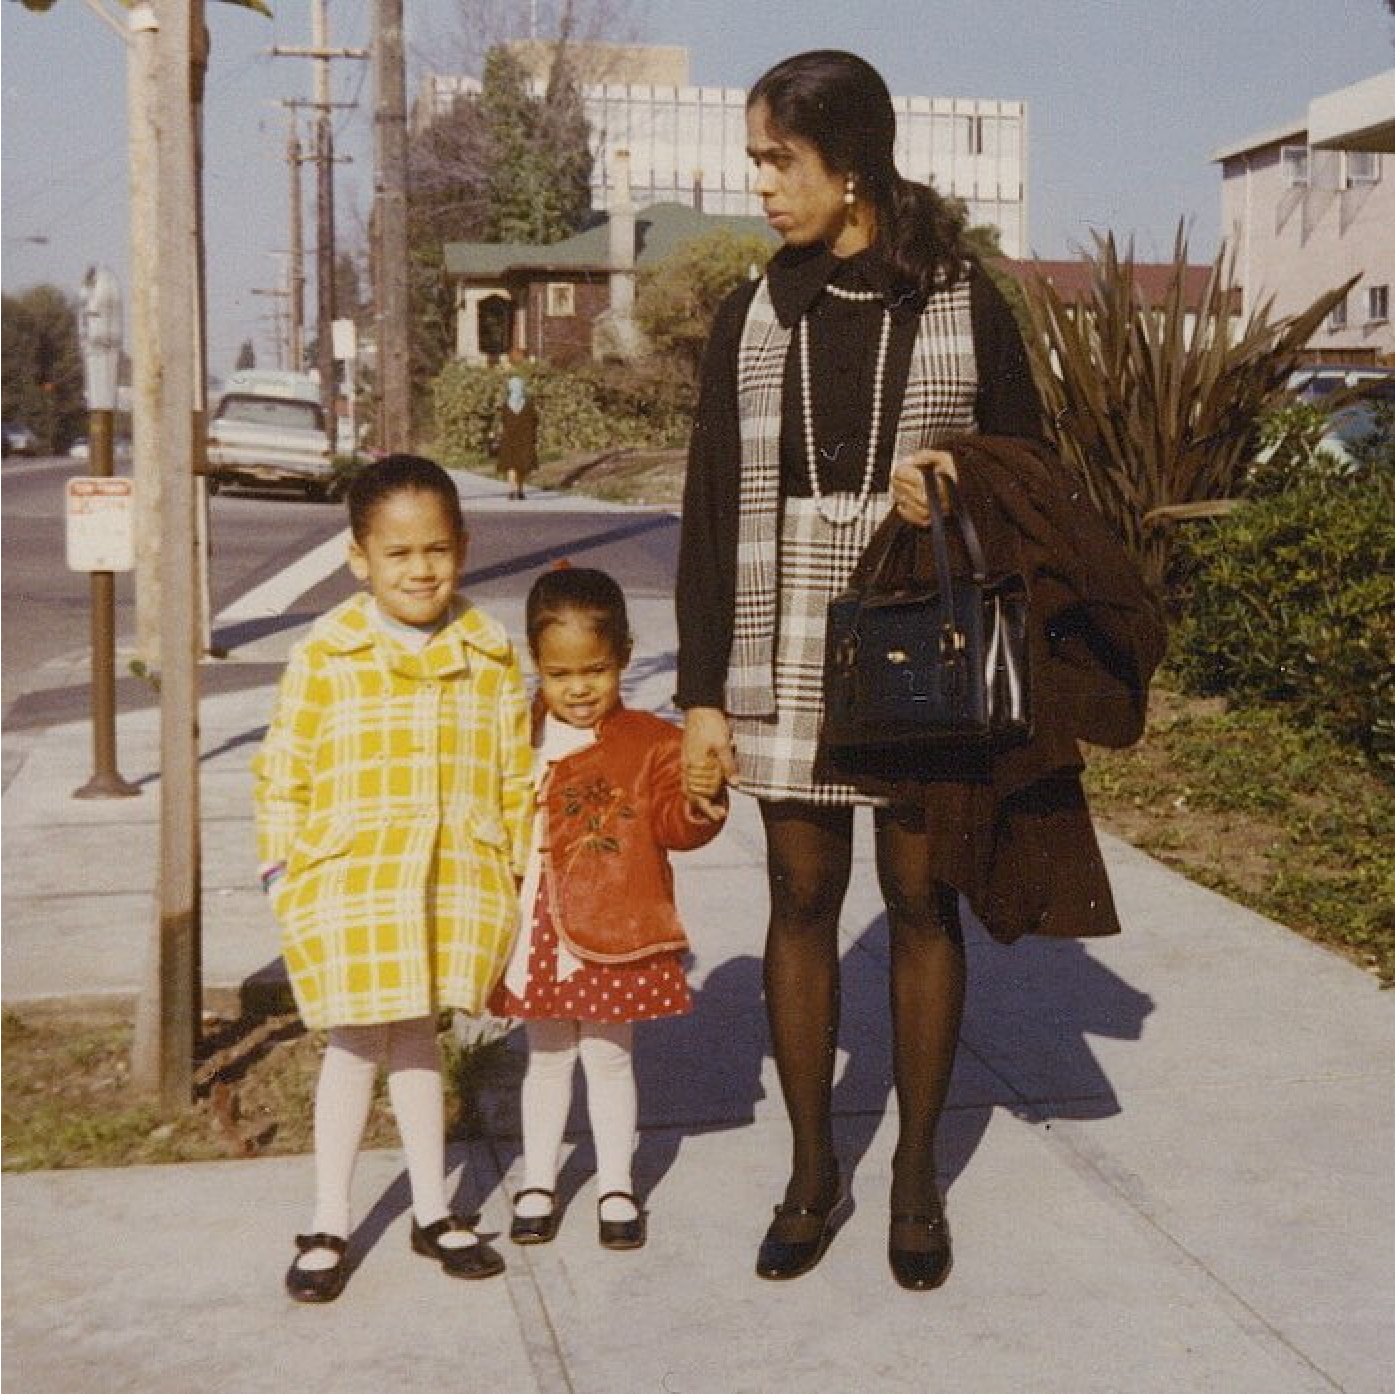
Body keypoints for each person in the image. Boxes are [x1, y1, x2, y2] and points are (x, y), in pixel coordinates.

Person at [675, 50, 1053, 1292]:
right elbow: (711, 504)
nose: (764, 189)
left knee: (919, 899)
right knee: (796, 898)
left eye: (780, 162)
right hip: (778, 627)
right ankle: (810, 1170)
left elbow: (1031, 471)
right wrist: (698, 700)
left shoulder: (961, 296)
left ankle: (912, 1178)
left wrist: (951, 478)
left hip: (913, 629)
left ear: (853, 160)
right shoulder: (755, 307)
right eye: (757, 164)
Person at [254, 453, 533, 1303]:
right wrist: (281, 869)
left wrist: (514, 867)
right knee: (350, 1045)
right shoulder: (326, 653)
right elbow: (284, 769)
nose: (421, 570)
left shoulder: (489, 653)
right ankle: (329, 1218)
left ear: (462, 546)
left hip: (449, 878)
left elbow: (513, 772)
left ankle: (430, 1208)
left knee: (418, 1040)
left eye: (437, 550)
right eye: (399, 554)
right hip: (351, 881)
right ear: (359, 558)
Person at [489, 566, 726, 1251]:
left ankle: (617, 1183)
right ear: (537, 665)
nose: (579, 688)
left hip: (614, 927)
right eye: (560, 675)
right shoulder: (517, 733)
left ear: (622, 656)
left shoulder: (651, 741)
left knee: (609, 1057)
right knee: (547, 1057)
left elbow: (677, 828)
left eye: (595, 669)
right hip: (535, 925)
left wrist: (700, 796)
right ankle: (538, 1180)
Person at [497, 374, 539, 500]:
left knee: (511, 465)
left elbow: (503, 421)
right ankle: (520, 490)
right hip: (525, 439)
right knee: (522, 466)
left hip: (509, 438)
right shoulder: (529, 404)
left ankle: (512, 490)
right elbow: (535, 421)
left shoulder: (505, 405)